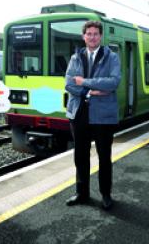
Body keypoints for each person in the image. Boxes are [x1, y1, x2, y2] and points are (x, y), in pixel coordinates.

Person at [64, 20, 121, 210]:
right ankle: (82, 193)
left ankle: (106, 194)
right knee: (80, 156)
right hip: (79, 113)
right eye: (89, 34)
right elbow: (69, 84)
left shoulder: (111, 57)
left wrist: (85, 82)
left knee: (104, 157)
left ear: (101, 36)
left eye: (96, 33)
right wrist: (90, 91)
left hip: (103, 115)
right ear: (83, 36)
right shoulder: (75, 58)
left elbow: (113, 82)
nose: (92, 37)